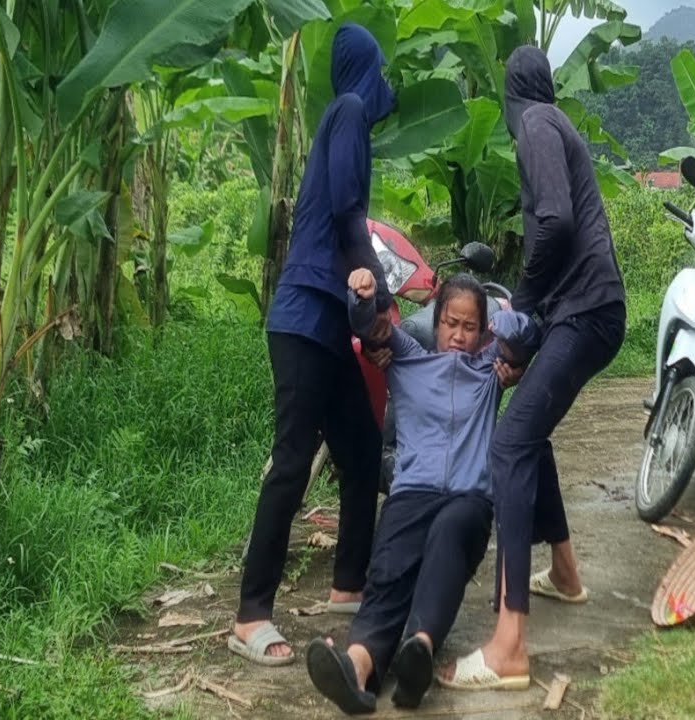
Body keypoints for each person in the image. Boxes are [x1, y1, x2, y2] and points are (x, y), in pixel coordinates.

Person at [437, 45, 626, 691]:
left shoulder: (538, 123)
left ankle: (509, 644)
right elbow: (563, 246)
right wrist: (521, 343)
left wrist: (518, 307)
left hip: (586, 312)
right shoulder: (557, 122)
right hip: (588, 310)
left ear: (511, 92)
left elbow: (556, 223)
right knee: (529, 432)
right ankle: (565, 574)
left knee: (510, 446)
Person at [229, 23, 397, 667]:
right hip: (303, 319)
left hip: (326, 325)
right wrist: (381, 300)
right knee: (293, 462)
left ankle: (348, 585)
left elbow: (346, 226)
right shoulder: (349, 109)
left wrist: (366, 314)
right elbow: (349, 217)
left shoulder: (344, 119)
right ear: (367, 68)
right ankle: (250, 615)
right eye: (380, 71)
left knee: (361, 449)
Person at [305, 269, 539, 713]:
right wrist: (362, 295)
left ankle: (420, 648)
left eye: (470, 326)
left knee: (449, 533)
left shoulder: (490, 370)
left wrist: (505, 325)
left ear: (481, 331)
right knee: (389, 568)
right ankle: (357, 667)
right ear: (436, 322)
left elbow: (525, 339)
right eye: (450, 323)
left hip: (469, 500)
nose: (458, 335)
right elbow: (369, 327)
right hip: (411, 493)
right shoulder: (407, 358)